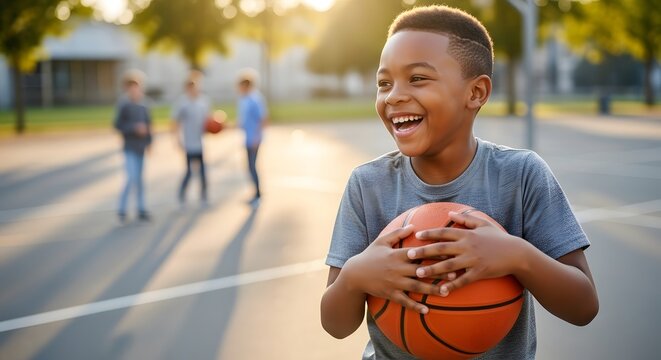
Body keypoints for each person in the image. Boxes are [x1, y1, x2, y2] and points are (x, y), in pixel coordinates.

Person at [320, 5, 599, 360]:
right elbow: (336, 325)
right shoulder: (367, 185)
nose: (393, 96)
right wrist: (355, 276)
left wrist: (517, 256)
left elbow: (583, 306)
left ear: (476, 93)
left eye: (417, 78)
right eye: (384, 83)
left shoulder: (521, 175)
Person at [114, 69, 152, 223]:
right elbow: (117, 125)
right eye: (131, 86)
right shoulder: (124, 105)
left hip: (141, 147)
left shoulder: (144, 105)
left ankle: (141, 208)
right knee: (131, 178)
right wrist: (133, 128)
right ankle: (122, 209)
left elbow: (149, 125)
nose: (135, 89)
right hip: (130, 147)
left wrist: (150, 142)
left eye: (137, 86)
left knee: (141, 180)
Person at [172, 72, 212, 206]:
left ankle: (204, 196)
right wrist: (177, 139)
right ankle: (182, 195)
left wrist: (214, 127)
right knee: (189, 171)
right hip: (189, 142)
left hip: (200, 141)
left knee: (203, 171)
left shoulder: (203, 101)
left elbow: (208, 121)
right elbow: (175, 122)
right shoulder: (182, 103)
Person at [236, 68, 268, 206]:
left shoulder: (255, 99)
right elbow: (244, 120)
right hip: (247, 138)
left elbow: (263, 119)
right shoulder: (244, 100)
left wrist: (256, 137)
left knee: (252, 166)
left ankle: (258, 195)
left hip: (254, 139)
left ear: (246, 85)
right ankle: (255, 193)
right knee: (249, 166)